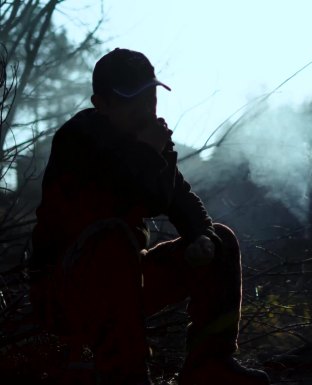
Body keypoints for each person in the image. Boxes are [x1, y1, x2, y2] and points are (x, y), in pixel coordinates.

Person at [28, 48, 270, 385]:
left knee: (221, 240)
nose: (145, 109)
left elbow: (178, 197)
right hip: (65, 292)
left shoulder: (149, 140)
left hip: (124, 285)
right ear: (101, 103)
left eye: (150, 97)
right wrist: (148, 152)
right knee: (112, 238)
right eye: (132, 100)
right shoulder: (78, 140)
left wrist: (201, 236)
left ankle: (209, 364)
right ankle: (125, 373)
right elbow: (123, 199)